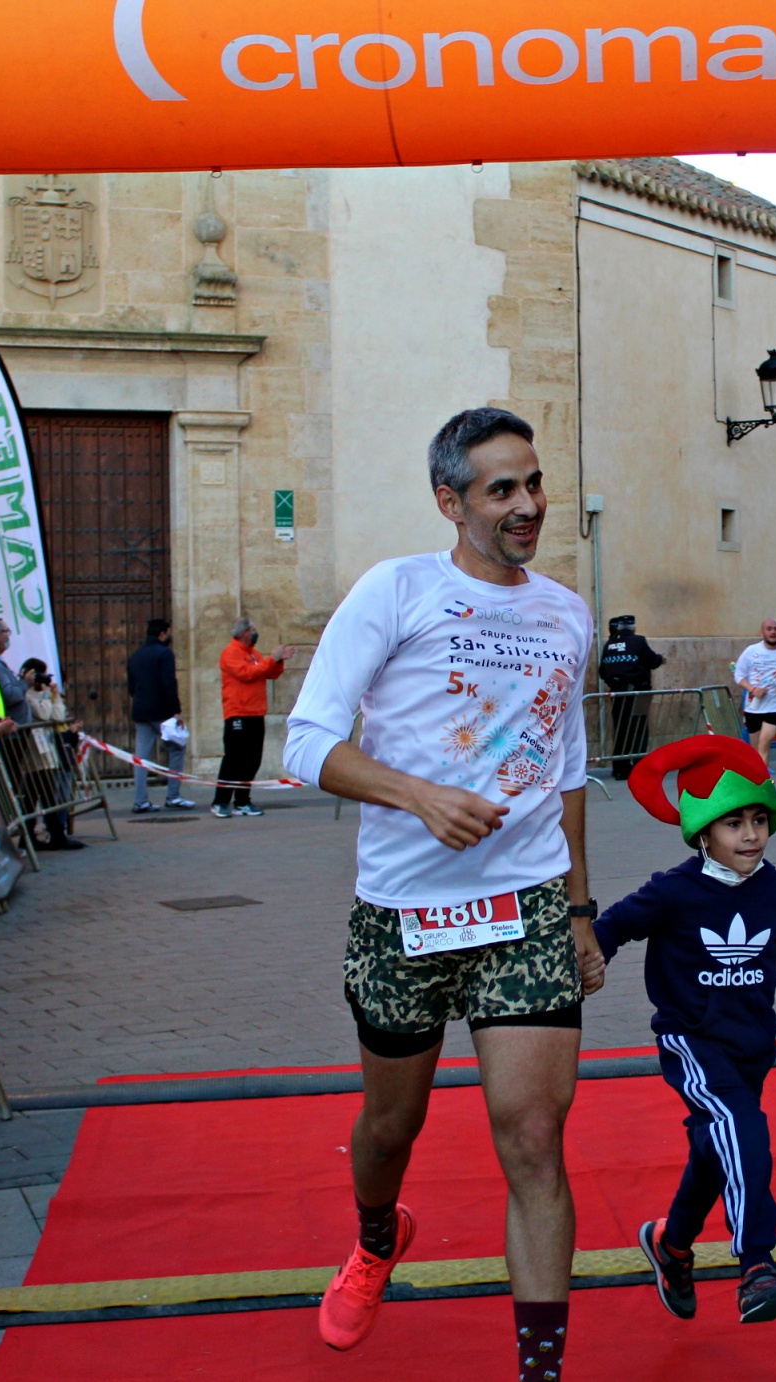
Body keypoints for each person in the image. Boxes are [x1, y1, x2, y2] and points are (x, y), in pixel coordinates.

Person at [282, 407, 604, 1380]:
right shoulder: (396, 591)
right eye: (500, 488)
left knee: (535, 1136)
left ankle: (539, 1368)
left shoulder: (565, 612)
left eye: (533, 483)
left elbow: (570, 769)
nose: (526, 505)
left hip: (528, 904)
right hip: (404, 909)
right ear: (449, 500)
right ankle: (379, 1236)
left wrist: (582, 911)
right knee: (390, 1127)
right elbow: (305, 742)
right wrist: (415, 794)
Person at [595, 735, 776, 1326]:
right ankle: (756, 1264)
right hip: (691, 1041)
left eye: (759, 819)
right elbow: (613, 926)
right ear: (703, 831)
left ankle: (672, 1246)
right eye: (734, 823)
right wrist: (584, 961)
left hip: (752, 1046)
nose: (751, 834)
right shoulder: (674, 890)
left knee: (716, 1149)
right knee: (742, 1132)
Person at [215, 617, 295, 818]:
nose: (255, 633)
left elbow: (268, 672)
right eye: (253, 630)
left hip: (255, 713)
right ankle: (220, 801)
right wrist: (271, 659)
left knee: (251, 760)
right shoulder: (230, 653)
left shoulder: (253, 654)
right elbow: (247, 674)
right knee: (234, 759)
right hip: (238, 714)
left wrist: (278, 661)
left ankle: (242, 801)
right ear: (244, 633)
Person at [127, 617, 193, 813]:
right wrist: (176, 710)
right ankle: (173, 796)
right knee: (177, 749)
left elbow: (131, 686)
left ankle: (140, 801)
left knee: (141, 758)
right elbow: (169, 683)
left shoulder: (136, 655)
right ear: (162, 634)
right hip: (162, 712)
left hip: (140, 712)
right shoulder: (165, 654)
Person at [18, 660, 85, 851]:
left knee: (45, 794)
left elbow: (57, 717)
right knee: (37, 795)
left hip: (47, 751)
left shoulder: (42, 695)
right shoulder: (28, 695)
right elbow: (45, 714)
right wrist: (49, 696)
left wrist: (54, 697)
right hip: (34, 754)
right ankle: (46, 835)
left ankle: (51, 834)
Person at [597, 615, 664, 781]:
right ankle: (640, 767)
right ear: (633, 628)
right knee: (639, 730)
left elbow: (602, 672)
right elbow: (652, 660)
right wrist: (661, 659)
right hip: (637, 693)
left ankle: (620, 768)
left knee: (621, 730)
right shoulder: (638, 641)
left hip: (617, 693)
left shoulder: (609, 645)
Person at [734, 618, 776, 763]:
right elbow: (739, 675)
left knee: (764, 745)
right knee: (755, 750)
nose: (773, 632)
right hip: (754, 706)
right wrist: (752, 689)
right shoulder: (751, 651)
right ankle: (757, 781)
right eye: (769, 629)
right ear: (762, 632)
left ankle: (763, 784)